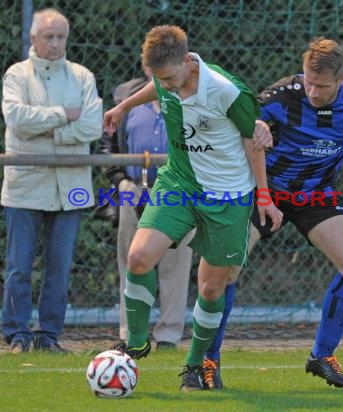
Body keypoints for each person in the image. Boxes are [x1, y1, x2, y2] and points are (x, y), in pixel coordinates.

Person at [204, 37, 343, 390]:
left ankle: (322, 355)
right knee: (224, 271)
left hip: (315, 195)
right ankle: (208, 361)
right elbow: (245, 124)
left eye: (321, 86)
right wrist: (257, 129)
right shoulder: (281, 95)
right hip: (266, 193)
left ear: (341, 80)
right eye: (308, 80)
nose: (312, 90)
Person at [103, 25, 283, 391]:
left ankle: (194, 365)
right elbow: (158, 85)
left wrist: (263, 195)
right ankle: (136, 343)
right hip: (180, 183)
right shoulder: (167, 78)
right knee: (138, 258)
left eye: (170, 77)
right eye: (159, 78)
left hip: (228, 197)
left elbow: (255, 140)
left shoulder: (226, 90)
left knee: (211, 288)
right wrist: (123, 106)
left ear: (188, 61)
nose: (165, 86)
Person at [0, 8, 102, 354]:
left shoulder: (82, 76)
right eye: (49, 36)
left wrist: (49, 134)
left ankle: (49, 336)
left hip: (72, 187)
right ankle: (17, 335)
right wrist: (63, 116)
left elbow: (93, 126)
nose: (56, 43)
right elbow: (16, 119)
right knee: (19, 268)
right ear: (33, 39)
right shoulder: (16, 75)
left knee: (59, 268)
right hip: (25, 186)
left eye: (61, 37)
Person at [99, 65, 193, 350]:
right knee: (131, 260)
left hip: (178, 191)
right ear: (144, 63)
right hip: (133, 189)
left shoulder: (193, 95)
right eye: (153, 59)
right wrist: (119, 180)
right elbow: (107, 143)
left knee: (176, 264)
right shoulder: (125, 94)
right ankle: (130, 333)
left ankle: (169, 334)